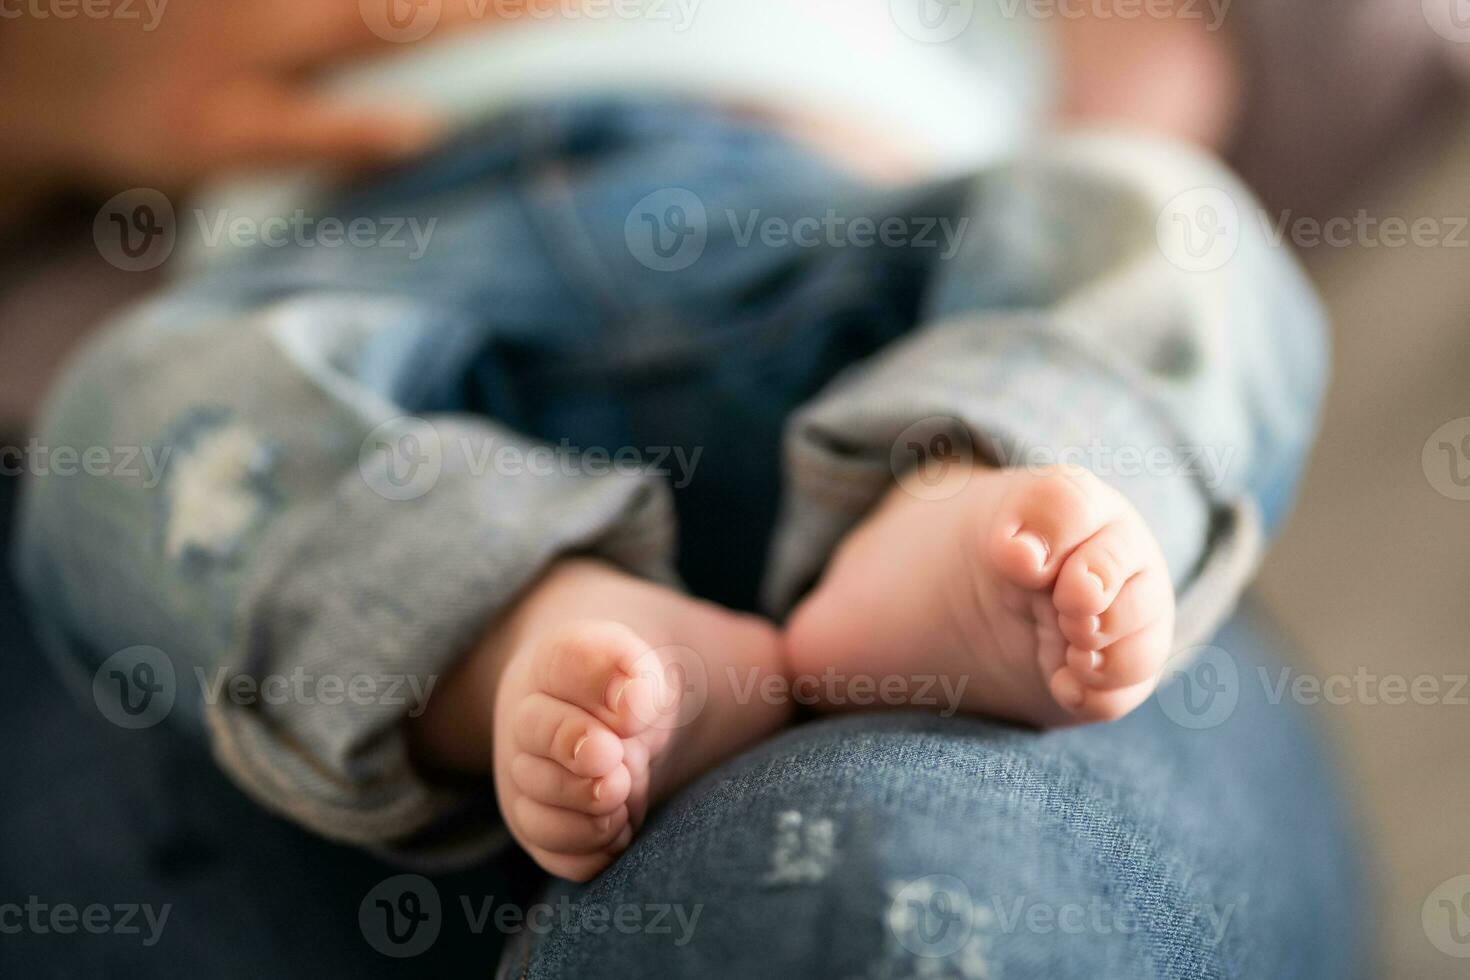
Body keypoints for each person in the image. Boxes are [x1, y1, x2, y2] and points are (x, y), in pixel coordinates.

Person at [7, 2, 1363, 975]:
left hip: (838, 244)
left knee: (1155, 212)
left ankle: (966, 484)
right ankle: (507, 632)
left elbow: (1177, 81)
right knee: (120, 420)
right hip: (374, 298)